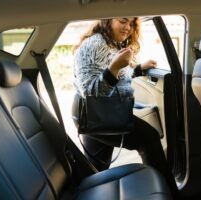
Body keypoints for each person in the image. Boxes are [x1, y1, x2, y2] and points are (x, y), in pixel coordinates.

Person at [72, 17, 177, 195]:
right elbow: (91, 92)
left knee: (96, 170)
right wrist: (114, 67)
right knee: (149, 138)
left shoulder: (110, 44)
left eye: (131, 24)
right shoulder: (94, 44)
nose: (128, 27)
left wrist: (138, 69)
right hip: (99, 114)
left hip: (98, 116)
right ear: (107, 21)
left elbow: (119, 76)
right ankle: (168, 194)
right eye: (123, 21)